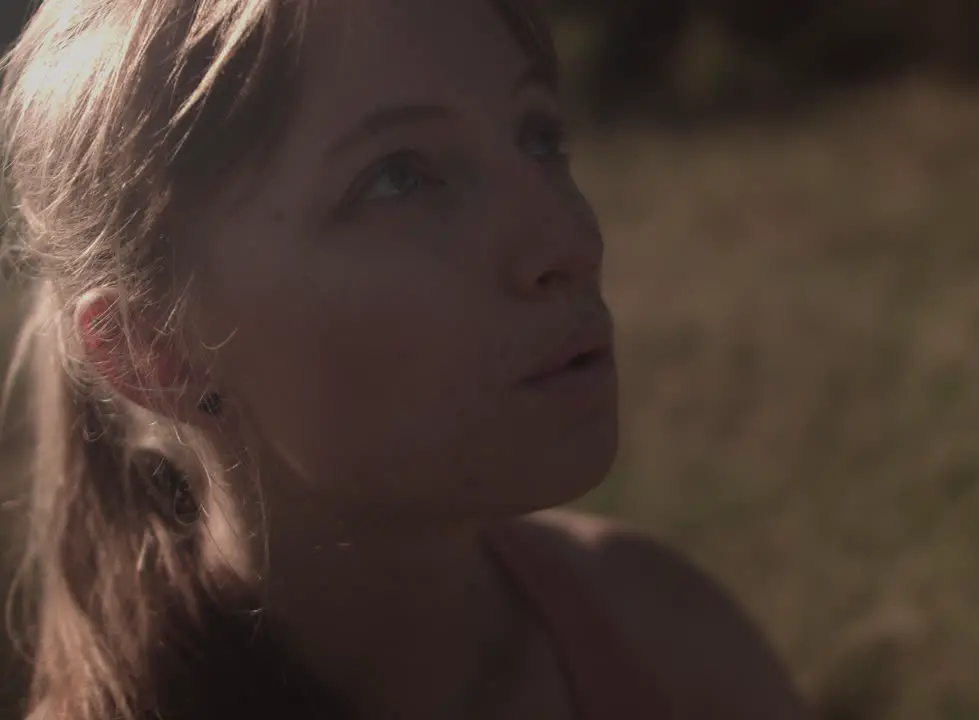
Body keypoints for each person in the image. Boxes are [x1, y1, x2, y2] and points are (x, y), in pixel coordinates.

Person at [0, 0, 811, 719]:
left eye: (539, 135)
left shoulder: (656, 635)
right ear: (154, 350)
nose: (571, 240)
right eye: (400, 177)